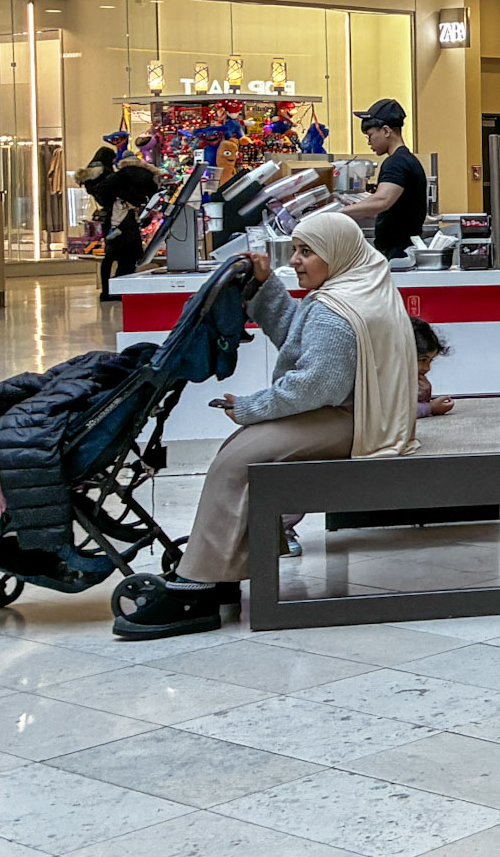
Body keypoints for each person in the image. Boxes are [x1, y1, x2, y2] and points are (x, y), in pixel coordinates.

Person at [111, 211, 418, 639]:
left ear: (336, 253)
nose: (295, 260)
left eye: (306, 251)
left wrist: (252, 407)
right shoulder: (357, 286)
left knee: (240, 460)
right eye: (295, 249)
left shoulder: (335, 310)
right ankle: (217, 570)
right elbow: (301, 336)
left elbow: (314, 386)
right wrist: (266, 284)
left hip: (353, 421)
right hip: (368, 413)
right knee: (241, 451)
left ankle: (197, 589)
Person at [339, 99, 427, 261]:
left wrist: (337, 213)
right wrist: (355, 207)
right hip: (401, 250)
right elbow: (387, 205)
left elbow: (382, 200)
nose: (369, 142)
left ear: (386, 131)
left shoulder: (396, 162)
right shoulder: (406, 159)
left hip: (398, 253)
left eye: (370, 135)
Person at [83, 141, 161, 303]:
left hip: (115, 220)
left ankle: (108, 291)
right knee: (130, 256)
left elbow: (102, 191)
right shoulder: (146, 175)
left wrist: (116, 197)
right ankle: (123, 288)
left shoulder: (115, 176)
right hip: (130, 220)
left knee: (111, 256)